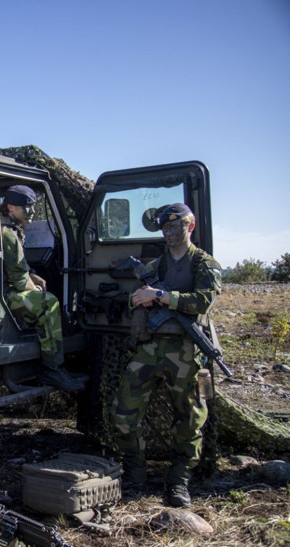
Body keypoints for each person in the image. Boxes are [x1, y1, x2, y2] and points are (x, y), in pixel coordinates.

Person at [112, 203, 222, 508]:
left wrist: (159, 295)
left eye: (176, 227)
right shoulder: (156, 266)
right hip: (150, 347)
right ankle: (135, 473)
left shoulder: (204, 264)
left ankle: (178, 481)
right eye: (165, 228)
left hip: (185, 350)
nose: (170, 233)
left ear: (191, 226)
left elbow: (203, 301)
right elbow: (136, 299)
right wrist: (140, 300)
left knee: (190, 420)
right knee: (123, 413)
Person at [1, 185, 85, 392]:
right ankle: (53, 368)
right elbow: (20, 282)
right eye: (26, 207)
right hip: (3, 295)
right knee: (49, 303)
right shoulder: (8, 233)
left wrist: (31, 275)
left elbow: (17, 269)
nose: (31, 212)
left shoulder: (5, 226)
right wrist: (35, 288)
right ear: (11, 208)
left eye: (32, 206)